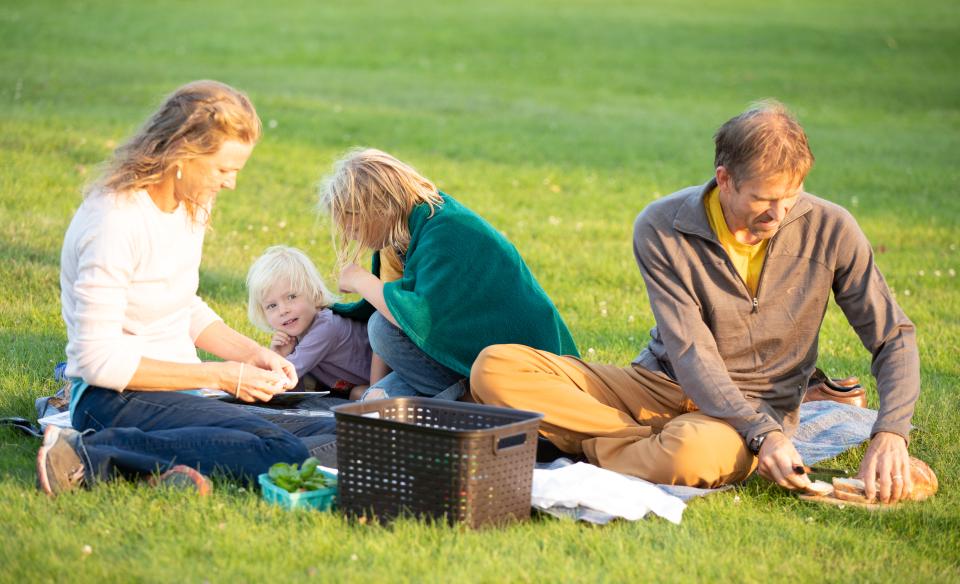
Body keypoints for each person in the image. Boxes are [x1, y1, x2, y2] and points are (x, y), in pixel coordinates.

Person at [471, 101, 920, 503]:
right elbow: (690, 352)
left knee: (692, 453)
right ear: (724, 179)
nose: (779, 214)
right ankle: (637, 448)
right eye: (763, 199)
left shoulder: (832, 229)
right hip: (657, 386)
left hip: (747, 417)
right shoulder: (663, 225)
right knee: (494, 367)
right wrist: (764, 439)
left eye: (791, 197)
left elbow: (893, 337)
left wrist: (891, 433)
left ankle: (589, 442)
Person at [37, 80, 334, 497]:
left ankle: (170, 462)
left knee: (340, 433)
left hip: (182, 391)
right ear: (182, 154)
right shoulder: (114, 222)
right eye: (223, 170)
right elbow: (97, 361)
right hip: (115, 399)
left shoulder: (190, 202)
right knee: (278, 449)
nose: (230, 183)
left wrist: (253, 355)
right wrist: (223, 375)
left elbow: (181, 304)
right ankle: (88, 453)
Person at [319, 148, 579, 401]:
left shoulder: (445, 230)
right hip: (464, 362)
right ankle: (447, 401)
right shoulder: (398, 238)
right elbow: (390, 309)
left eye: (351, 220)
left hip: (518, 365)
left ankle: (473, 403)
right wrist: (370, 391)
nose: (348, 231)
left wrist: (360, 280)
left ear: (380, 207)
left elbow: (414, 319)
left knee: (381, 328)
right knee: (377, 401)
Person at [247, 245, 372, 400]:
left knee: (359, 395)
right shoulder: (294, 333)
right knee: (354, 394)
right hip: (355, 386)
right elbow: (293, 391)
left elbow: (283, 378)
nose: (283, 310)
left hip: (390, 377)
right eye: (272, 306)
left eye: (291, 297)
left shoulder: (325, 328)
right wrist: (279, 355)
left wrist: (273, 363)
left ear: (314, 293)